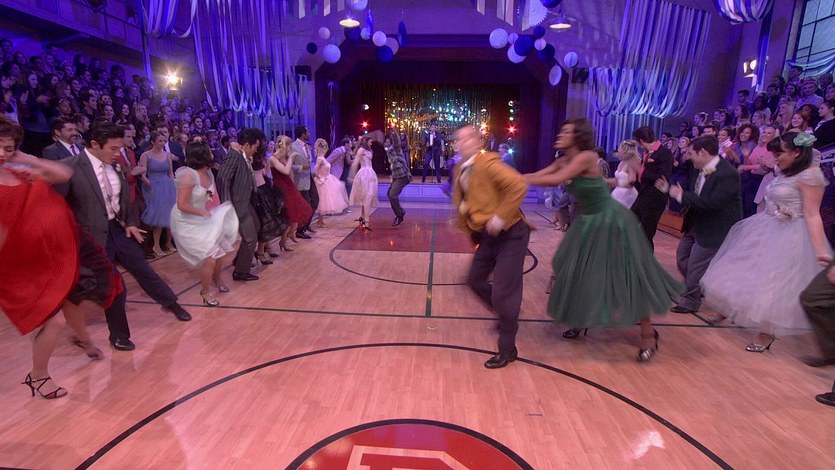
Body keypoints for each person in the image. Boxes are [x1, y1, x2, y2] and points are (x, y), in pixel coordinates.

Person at [524, 119, 681, 362]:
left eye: (566, 132)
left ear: (578, 136)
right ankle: (582, 318)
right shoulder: (563, 160)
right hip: (588, 222)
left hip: (609, 220)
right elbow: (539, 174)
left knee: (625, 276)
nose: (560, 134)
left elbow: (555, 180)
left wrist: (518, 179)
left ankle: (648, 333)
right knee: (579, 272)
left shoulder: (586, 157)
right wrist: (515, 176)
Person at [58, 122, 192, 352]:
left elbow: (122, 201)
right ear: (94, 144)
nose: (117, 153)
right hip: (91, 238)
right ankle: (118, 335)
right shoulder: (69, 168)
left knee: (144, 270)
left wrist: (130, 223)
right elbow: (58, 207)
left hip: (118, 230)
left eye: (119, 148)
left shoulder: (115, 166)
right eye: (113, 148)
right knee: (114, 285)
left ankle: (171, 303)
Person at [701, 132, 832, 352]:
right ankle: (730, 309)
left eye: (779, 154)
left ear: (797, 152)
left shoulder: (811, 176)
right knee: (745, 269)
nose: (775, 158)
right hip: (766, 225)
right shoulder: (783, 170)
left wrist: (820, 250)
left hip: (791, 234)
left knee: (774, 284)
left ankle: (766, 331)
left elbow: (812, 214)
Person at [452, 124, 530, 369]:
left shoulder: (487, 162)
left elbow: (518, 185)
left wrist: (500, 217)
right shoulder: (461, 168)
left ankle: (507, 350)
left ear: (478, 141)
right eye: (459, 139)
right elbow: (468, 200)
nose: (462, 143)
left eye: (468, 138)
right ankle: (506, 314)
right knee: (475, 280)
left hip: (511, 234)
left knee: (504, 293)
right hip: (487, 236)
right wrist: (468, 223)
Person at [656, 136, 742, 315]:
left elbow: (713, 202)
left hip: (715, 227)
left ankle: (690, 301)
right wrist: (669, 188)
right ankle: (699, 288)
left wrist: (680, 195)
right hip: (696, 222)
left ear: (702, 152)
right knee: (682, 257)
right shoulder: (698, 169)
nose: (688, 157)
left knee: (696, 265)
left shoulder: (728, 173)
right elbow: (690, 189)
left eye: (691, 153)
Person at [170, 141, 240, 307]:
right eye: (209, 150)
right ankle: (205, 292)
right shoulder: (188, 176)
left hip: (202, 215)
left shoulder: (209, 173)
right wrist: (203, 213)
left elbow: (209, 197)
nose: (212, 152)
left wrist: (216, 213)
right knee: (209, 256)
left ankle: (218, 279)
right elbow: (182, 205)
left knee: (221, 250)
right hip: (186, 220)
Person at [216, 127, 264, 282]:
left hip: (245, 201)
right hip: (238, 203)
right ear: (247, 145)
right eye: (255, 147)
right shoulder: (234, 156)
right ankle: (240, 272)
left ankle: (240, 260)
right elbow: (222, 179)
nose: (256, 150)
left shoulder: (242, 156)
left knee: (256, 227)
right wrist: (227, 205)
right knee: (250, 238)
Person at [631, 126, 674, 249]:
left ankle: (646, 259)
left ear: (641, 141)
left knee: (646, 234)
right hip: (643, 195)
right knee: (629, 221)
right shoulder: (646, 153)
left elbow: (662, 177)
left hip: (655, 198)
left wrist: (640, 171)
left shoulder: (664, 153)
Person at [137, 131, 177, 256]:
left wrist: (174, 186)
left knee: (170, 216)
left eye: (164, 141)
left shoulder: (167, 155)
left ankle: (168, 243)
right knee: (159, 216)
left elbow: (170, 173)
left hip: (168, 186)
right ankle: (156, 245)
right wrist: (151, 185)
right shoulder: (145, 155)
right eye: (160, 141)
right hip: (153, 187)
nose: (162, 143)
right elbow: (142, 175)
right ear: (153, 142)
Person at [270, 135, 313, 251]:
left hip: (289, 186)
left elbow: (290, 174)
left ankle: (288, 237)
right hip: (281, 188)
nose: (290, 149)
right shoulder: (273, 159)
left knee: (296, 212)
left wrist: (293, 186)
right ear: (285, 146)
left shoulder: (284, 158)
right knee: (288, 216)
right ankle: (284, 241)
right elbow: (285, 171)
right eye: (289, 147)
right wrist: (291, 158)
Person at [312, 138, 348, 226]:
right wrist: (321, 179)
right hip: (322, 181)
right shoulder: (320, 159)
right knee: (322, 200)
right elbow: (315, 171)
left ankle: (320, 220)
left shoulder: (323, 158)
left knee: (324, 201)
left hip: (328, 179)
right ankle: (319, 221)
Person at [348, 135, 378, 229]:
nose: (371, 143)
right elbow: (355, 162)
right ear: (366, 141)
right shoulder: (361, 150)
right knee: (367, 196)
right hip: (364, 174)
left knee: (368, 195)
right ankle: (367, 220)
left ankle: (362, 217)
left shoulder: (369, 150)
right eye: (370, 142)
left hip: (370, 173)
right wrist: (351, 175)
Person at [291, 125, 315, 238]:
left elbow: (309, 162)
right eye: (307, 132)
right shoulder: (293, 147)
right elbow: (290, 165)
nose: (309, 134)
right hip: (300, 180)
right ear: (303, 134)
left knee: (315, 201)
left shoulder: (307, 146)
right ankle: (299, 230)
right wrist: (302, 167)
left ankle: (305, 225)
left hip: (309, 177)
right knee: (304, 205)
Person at [387, 130, 411, 226]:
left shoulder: (395, 148)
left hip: (402, 176)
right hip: (396, 176)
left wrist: (393, 133)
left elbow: (396, 141)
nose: (385, 143)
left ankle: (399, 215)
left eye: (387, 141)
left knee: (392, 195)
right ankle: (400, 211)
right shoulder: (389, 151)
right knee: (389, 194)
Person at [609, 140, 640, 208]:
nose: (618, 149)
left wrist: (622, 184)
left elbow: (632, 179)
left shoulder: (630, 163)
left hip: (627, 193)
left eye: (620, 147)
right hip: (618, 191)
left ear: (624, 149)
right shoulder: (622, 162)